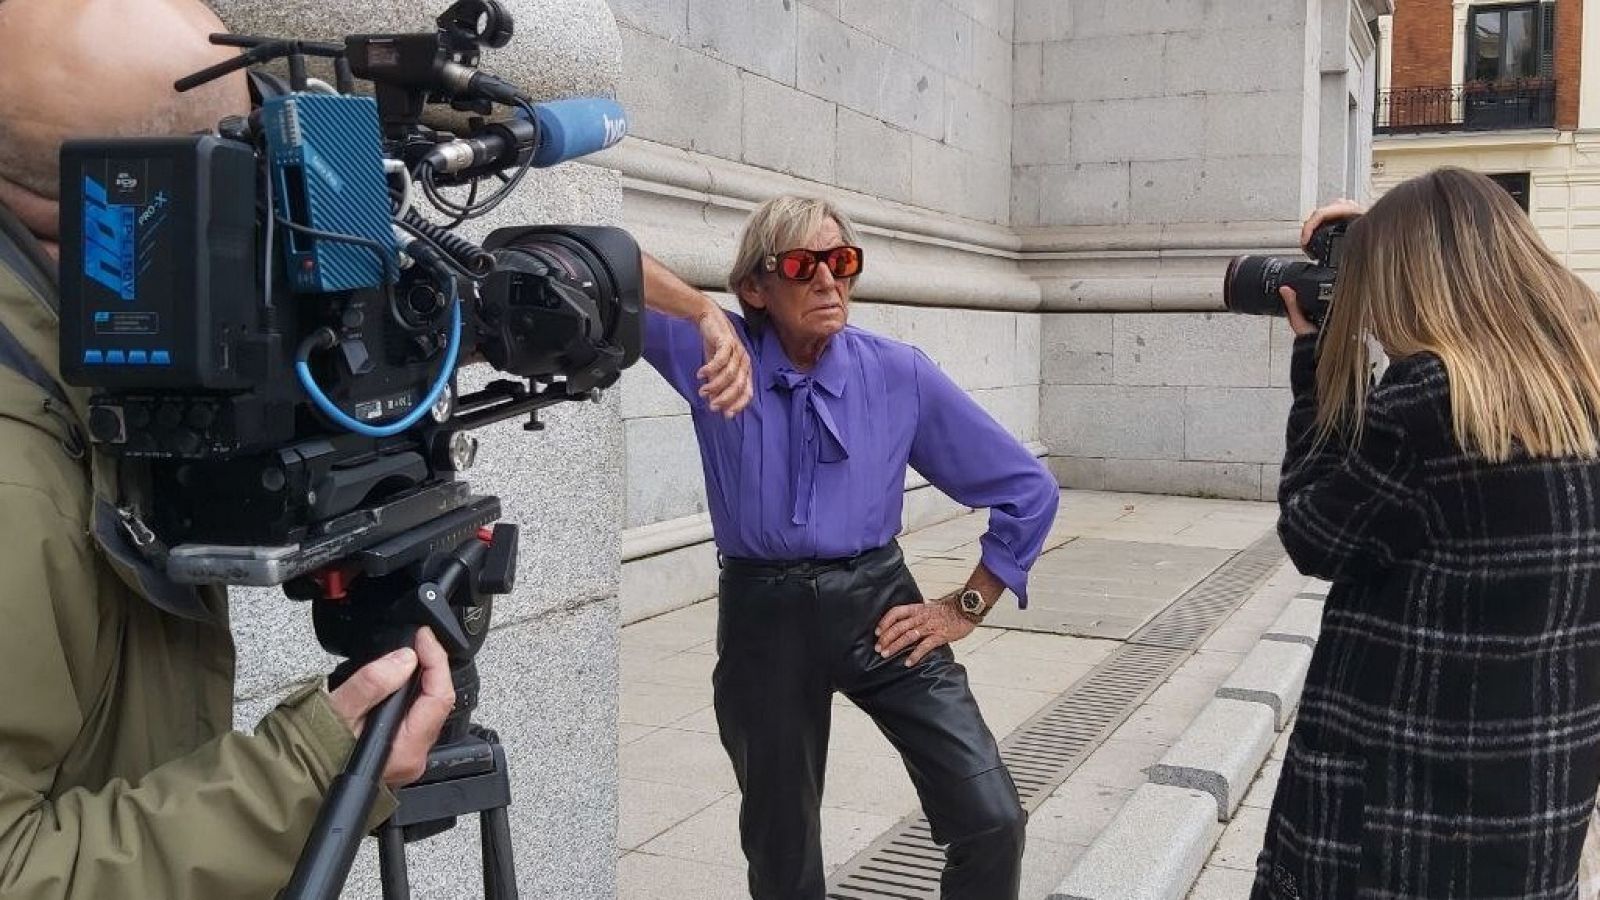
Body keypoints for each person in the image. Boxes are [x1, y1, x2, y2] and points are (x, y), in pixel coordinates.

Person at [0, 1, 454, 897]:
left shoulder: (95, 380)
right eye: (248, 191)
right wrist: (303, 772)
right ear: (124, 213)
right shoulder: (18, 489)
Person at [639, 194, 1059, 900]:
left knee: (991, 818)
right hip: (762, 616)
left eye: (843, 262)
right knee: (783, 854)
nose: (829, 280)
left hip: (878, 608)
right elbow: (604, 258)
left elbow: (1028, 488)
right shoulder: (715, 353)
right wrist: (702, 313)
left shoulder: (897, 372)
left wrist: (967, 604)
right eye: (804, 265)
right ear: (756, 289)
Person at [1253, 168, 1600, 898]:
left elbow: (1314, 533)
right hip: (1533, 808)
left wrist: (1322, 363)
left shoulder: (1432, 401)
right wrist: (1381, 231)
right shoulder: (1582, 383)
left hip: (1398, 821)